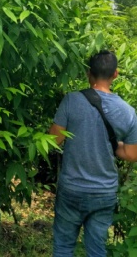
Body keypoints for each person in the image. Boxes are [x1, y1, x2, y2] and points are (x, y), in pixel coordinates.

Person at [49, 50, 137, 257]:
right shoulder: (128, 112)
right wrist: (113, 144)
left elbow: (53, 141)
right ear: (115, 74)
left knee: (63, 246)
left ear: (89, 72)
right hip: (104, 192)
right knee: (96, 250)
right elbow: (132, 154)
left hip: (72, 188)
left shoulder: (71, 101)